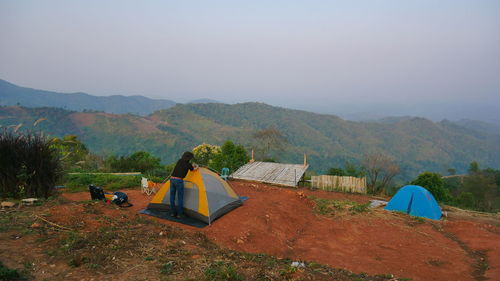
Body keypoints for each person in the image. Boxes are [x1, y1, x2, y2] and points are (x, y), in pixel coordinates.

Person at [170, 151, 198, 218]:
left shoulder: (179, 161)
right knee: (180, 198)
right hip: (179, 180)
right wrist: (197, 167)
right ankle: (179, 214)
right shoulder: (188, 164)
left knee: (172, 197)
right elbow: (193, 169)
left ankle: (173, 213)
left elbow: (183, 167)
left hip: (172, 179)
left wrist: (191, 165)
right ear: (189, 158)